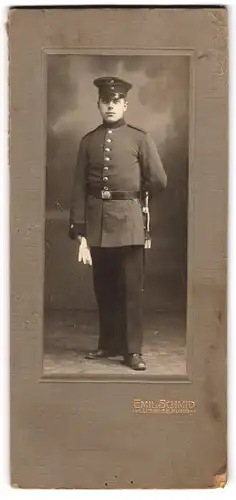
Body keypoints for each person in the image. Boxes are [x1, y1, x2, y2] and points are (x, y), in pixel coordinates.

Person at [69, 76, 167, 370]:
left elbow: (159, 180)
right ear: (98, 105)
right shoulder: (89, 141)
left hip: (129, 224)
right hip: (98, 224)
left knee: (129, 290)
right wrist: (81, 233)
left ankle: (132, 351)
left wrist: (134, 199)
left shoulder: (139, 138)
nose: (110, 106)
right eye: (105, 102)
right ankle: (108, 344)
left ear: (124, 105)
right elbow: (78, 189)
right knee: (105, 289)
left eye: (115, 102)